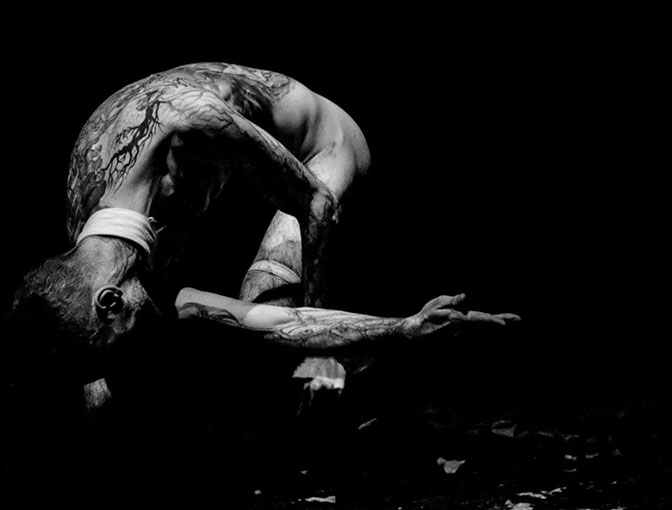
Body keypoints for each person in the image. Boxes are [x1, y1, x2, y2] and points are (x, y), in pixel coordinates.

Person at [8, 62, 519, 396]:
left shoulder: (187, 124)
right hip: (244, 173)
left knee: (272, 302)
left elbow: (315, 204)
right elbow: (250, 322)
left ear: (109, 300)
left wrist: (322, 358)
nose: (139, 338)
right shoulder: (97, 258)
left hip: (322, 147)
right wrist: (405, 328)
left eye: (123, 337)